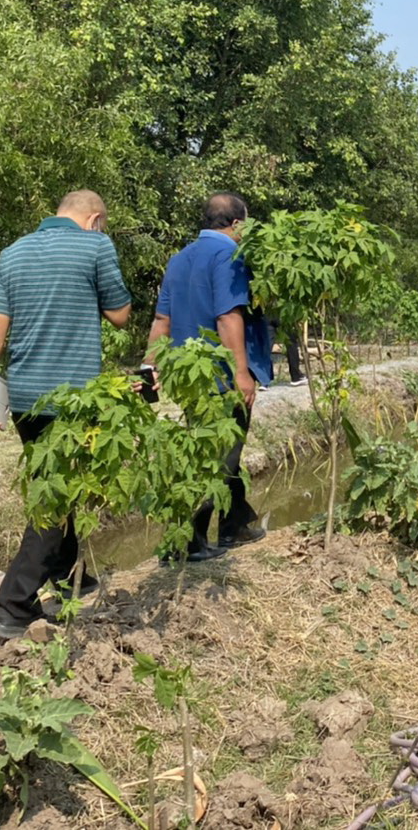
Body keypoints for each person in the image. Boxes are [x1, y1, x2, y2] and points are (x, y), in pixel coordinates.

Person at [0, 191, 132, 640]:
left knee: (56, 486)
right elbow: (120, 315)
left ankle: (69, 580)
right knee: (55, 499)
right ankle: (14, 605)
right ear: (95, 219)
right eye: (101, 225)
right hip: (73, 399)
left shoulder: (14, 252)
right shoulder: (96, 245)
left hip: (25, 400)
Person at [144, 192, 267, 560]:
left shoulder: (179, 259)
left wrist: (150, 366)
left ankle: (236, 525)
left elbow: (162, 320)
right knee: (218, 459)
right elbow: (228, 316)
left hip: (189, 376)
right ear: (236, 223)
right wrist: (242, 373)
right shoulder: (229, 256)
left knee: (222, 452)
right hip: (222, 378)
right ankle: (188, 542)